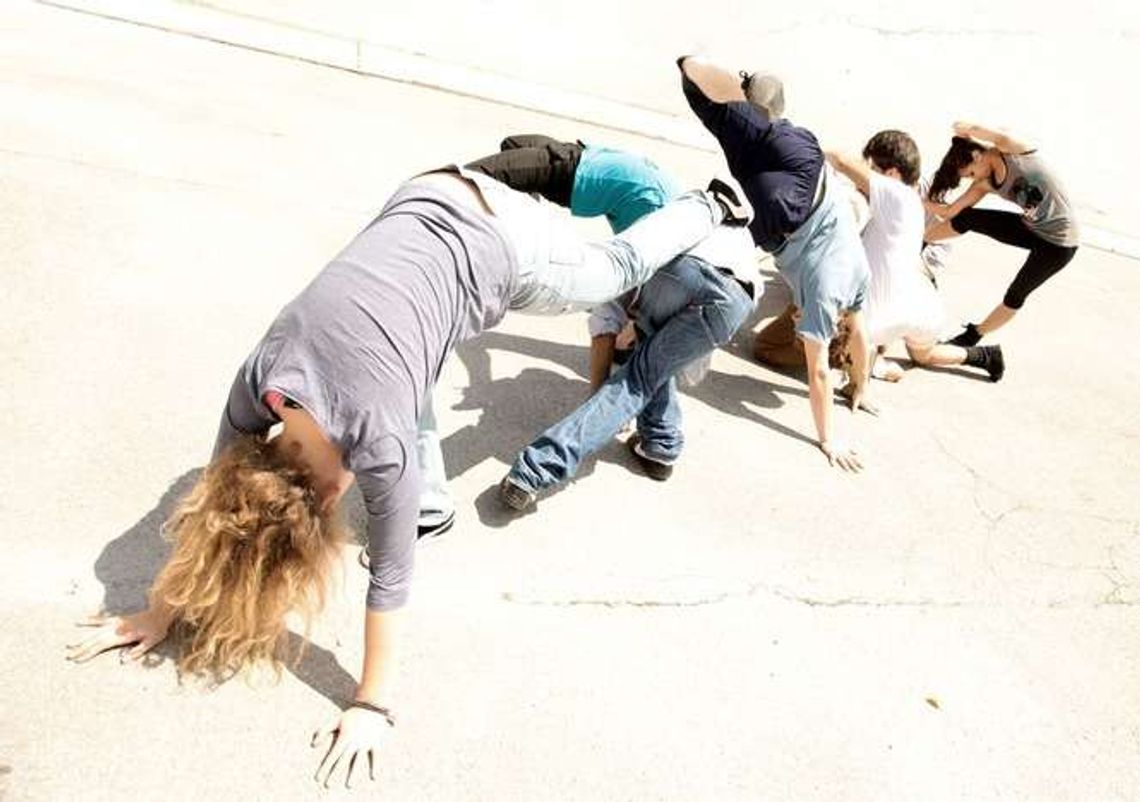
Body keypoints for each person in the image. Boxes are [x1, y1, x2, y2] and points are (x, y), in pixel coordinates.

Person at [65, 166, 738, 787]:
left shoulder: (381, 447)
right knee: (407, 373)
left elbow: (390, 579)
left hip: (502, 243)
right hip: (423, 193)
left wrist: (371, 705)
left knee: (614, 268)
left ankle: (711, 205)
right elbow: (218, 511)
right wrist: (163, 608)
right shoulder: (261, 380)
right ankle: (434, 494)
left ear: (325, 498)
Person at [676, 55, 872, 471]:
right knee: (731, 131)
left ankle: (728, 88)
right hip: (782, 215)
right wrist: (830, 439)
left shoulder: (858, 277)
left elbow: (860, 336)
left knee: (750, 130)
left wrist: (862, 384)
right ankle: (713, 84)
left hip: (810, 168)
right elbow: (819, 373)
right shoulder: (823, 298)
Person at [499, 224, 758, 508]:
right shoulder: (720, 224)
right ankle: (661, 444)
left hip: (678, 269)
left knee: (636, 380)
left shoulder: (615, 263)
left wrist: (601, 398)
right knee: (655, 361)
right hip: (738, 297)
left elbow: (604, 330)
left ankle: (535, 471)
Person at [826, 130, 1004, 382]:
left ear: (892, 174)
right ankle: (983, 356)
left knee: (838, 344)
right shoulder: (912, 199)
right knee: (923, 355)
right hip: (921, 305)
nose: (867, 174)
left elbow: (842, 161)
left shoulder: (894, 196)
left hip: (891, 309)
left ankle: (878, 364)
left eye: (873, 168)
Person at [924, 122, 1080, 345]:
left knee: (1016, 295)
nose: (973, 178)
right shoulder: (985, 183)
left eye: (971, 173)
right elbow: (951, 212)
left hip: (1059, 244)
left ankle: (973, 335)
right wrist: (916, 199)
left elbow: (996, 136)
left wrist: (965, 129)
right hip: (1030, 229)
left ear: (977, 156)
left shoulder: (1015, 152)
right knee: (966, 218)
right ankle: (921, 242)